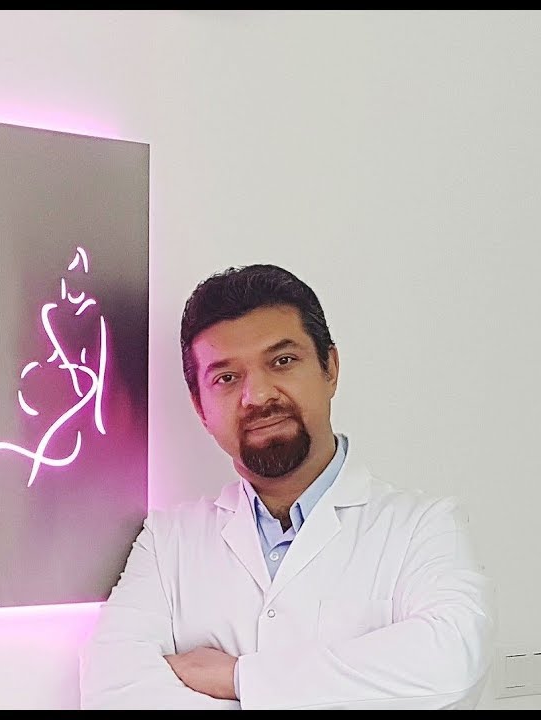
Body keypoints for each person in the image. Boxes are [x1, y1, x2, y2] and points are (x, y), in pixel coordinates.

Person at [78, 264, 494, 709]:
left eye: (282, 361)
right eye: (226, 378)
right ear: (200, 407)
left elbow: (452, 662)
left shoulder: (424, 527)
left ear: (330, 369)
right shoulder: (167, 543)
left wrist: (239, 677)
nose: (257, 396)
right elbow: (112, 689)